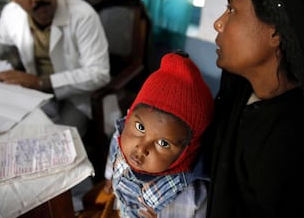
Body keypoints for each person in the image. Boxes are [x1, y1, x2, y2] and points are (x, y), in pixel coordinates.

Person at [205, 0, 304, 218]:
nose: (218, 23)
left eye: (232, 10)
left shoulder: (292, 141)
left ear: (276, 32)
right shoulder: (241, 95)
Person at [79, 50, 215, 218]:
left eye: (163, 143)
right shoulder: (121, 138)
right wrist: (109, 178)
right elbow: (114, 155)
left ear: (186, 152)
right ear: (129, 118)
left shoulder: (189, 195)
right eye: (140, 127)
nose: (141, 148)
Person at [0, 0, 110, 137]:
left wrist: (40, 82)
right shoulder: (12, 13)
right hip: (38, 92)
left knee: (58, 139)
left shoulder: (82, 14)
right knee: (10, 129)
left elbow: (99, 73)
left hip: (77, 96)